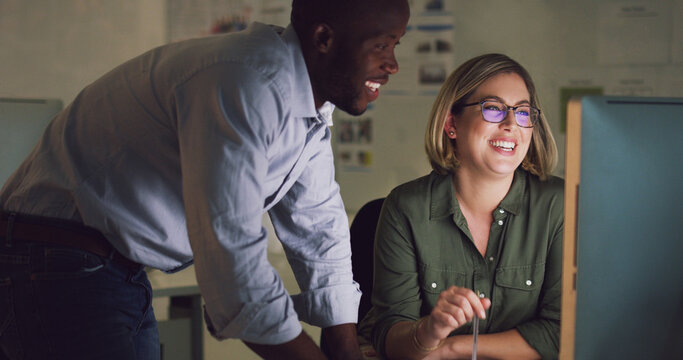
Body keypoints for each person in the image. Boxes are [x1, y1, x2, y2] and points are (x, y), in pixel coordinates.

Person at [0, 0, 410, 359]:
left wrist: (345, 347)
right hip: (56, 260)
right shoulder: (248, 83)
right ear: (324, 38)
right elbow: (234, 268)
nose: (392, 64)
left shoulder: (303, 101)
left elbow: (318, 225)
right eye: (380, 45)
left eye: (395, 45)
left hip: (108, 266)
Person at [358, 53, 562, 359]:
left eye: (522, 112)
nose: (511, 124)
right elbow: (389, 335)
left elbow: (563, 331)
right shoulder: (406, 208)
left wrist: (451, 347)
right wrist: (430, 330)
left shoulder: (559, 204)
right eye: (493, 109)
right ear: (451, 123)